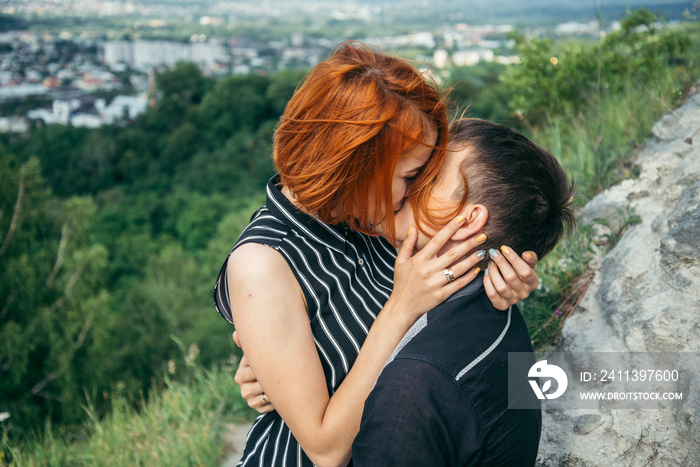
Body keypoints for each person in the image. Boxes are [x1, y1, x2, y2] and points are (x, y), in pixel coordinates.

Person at [214, 42, 539, 467]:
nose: (415, 191)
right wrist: (400, 309)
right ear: (360, 164)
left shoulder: (366, 214)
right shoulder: (262, 264)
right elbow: (325, 449)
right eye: (410, 174)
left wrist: (508, 271)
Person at [351, 118, 576, 466]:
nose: (400, 186)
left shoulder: (413, 385)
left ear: (468, 221)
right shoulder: (497, 308)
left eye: (424, 177)